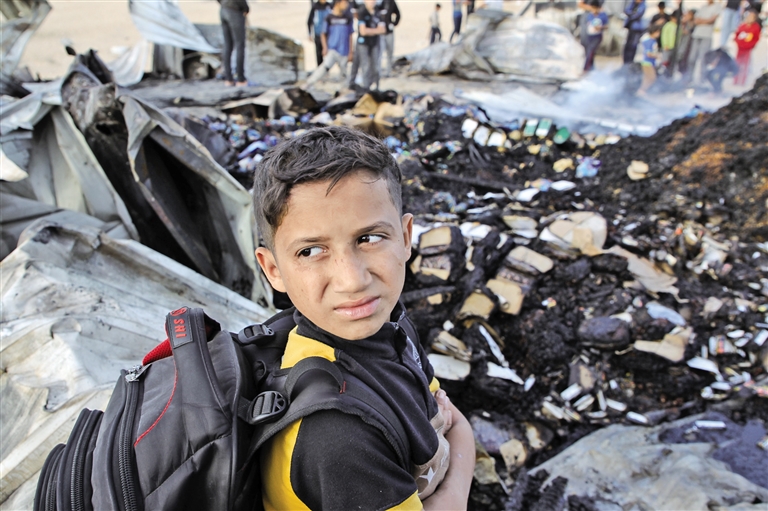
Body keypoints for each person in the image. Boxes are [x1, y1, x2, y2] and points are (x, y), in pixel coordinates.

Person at [252, 126, 476, 510]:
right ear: (273, 270)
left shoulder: (390, 324)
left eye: (369, 238)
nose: (353, 280)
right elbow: (454, 430)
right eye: (311, 251)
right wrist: (454, 491)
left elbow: (452, 417)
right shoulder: (336, 436)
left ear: (406, 237)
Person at [304, 0, 355, 88]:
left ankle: (342, 90)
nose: (346, 5)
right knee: (323, 68)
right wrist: (325, 47)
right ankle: (308, 84)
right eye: (344, 3)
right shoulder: (329, 17)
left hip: (344, 51)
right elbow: (323, 33)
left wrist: (351, 51)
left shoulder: (347, 18)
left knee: (344, 74)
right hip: (333, 50)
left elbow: (350, 35)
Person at [687, 0, 722, 84]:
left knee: (703, 59)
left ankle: (702, 80)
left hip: (707, 36)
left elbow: (711, 20)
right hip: (697, 35)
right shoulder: (703, 7)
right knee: (692, 58)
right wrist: (705, 21)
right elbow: (695, 21)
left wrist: (701, 21)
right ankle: (689, 78)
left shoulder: (717, 7)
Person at [356, 0, 387, 89]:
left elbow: (383, 30)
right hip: (363, 43)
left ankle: (376, 87)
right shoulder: (362, 11)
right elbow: (363, 31)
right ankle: (366, 88)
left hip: (374, 43)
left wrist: (369, 31)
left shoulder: (378, 11)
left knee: (376, 67)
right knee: (365, 67)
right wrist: (376, 31)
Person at [218, 0, 249, 86]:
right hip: (234, 12)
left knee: (227, 45)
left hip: (223, 9)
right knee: (240, 45)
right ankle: (241, 79)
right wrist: (246, 8)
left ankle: (228, 79)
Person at [733, 8, 761, 85]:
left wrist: (751, 45)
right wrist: (738, 42)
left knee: (745, 65)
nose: (749, 18)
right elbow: (737, 35)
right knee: (737, 63)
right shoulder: (742, 26)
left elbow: (756, 38)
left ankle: (743, 81)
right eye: (749, 16)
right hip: (740, 48)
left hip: (747, 49)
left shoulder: (755, 27)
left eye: (752, 17)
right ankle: (735, 80)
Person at [377, 0, 401, 77]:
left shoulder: (391, 1)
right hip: (380, 33)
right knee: (379, 53)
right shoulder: (378, 2)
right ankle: (378, 72)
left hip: (389, 32)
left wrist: (394, 23)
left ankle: (388, 71)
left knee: (390, 52)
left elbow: (398, 13)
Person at [583, 0, 608, 71]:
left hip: (597, 36)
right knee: (589, 52)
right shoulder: (590, 15)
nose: (593, 10)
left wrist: (600, 27)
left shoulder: (603, 15)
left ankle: (585, 69)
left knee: (590, 51)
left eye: (594, 8)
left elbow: (607, 26)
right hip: (590, 36)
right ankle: (591, 68)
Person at [308, 0, 332, 68]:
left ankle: (327, 68)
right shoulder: (315, 7)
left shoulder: (329, 6)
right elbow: (309, 21)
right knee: (319, 53)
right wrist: (310, 33)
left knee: (330, 53)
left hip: (328, 34)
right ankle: (320, 68)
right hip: (318, 34)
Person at [638, 25, 662, 94]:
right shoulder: (649, 41)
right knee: (652, 77)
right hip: (647, 62)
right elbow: (648, 53)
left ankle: (642, 91)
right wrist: (657, 56)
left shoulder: (651, 40)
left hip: (649, 62)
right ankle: (642, 90)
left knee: (648, 77)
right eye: (658, 32)